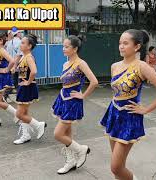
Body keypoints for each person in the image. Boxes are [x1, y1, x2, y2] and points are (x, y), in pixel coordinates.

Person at [100, 29, 156, 180]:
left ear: (137, 46)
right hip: (114, 114)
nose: (121, 46)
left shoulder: (142, 66)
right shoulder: (115, 66)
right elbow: (118, 90)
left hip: (129, 117)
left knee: (115, 166)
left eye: (125, 43)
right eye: (120, 43)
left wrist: (145, 109)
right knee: (118, 167)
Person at [52, 35, 98, 174]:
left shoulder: (81, 63)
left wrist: (83, 95)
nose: (63, 49)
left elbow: (94, 81)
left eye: (66, 47)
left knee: (58, 134)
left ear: (75, 48)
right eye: (63, 46)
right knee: (67, 134)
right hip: (63, 99)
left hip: (72, 102)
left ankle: (81, 149)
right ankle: (70, 161)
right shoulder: (65, 64)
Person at [13, 34, 47, 145]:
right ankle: (26, 135)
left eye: (23, 43)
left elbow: (34, 71)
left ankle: (38, 125)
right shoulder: (24, 56)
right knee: (24, 112)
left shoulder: (29, 57)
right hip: (23, 86)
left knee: (19, 114)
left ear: (29, 46)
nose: (20, 44)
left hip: (27, 87)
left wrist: (28, 82)